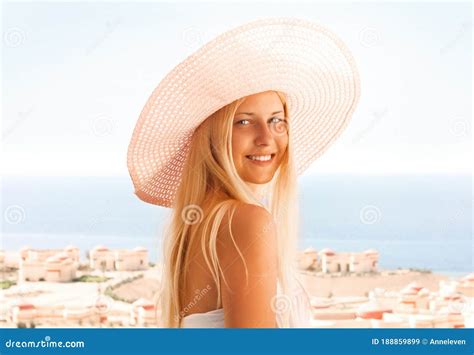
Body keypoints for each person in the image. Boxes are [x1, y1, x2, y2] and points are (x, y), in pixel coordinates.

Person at [127, 17, 361, 328]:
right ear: (213, 135)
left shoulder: (202, 223)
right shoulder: (245, 221)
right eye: (244, 121)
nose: (267, 137)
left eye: (277, 120)